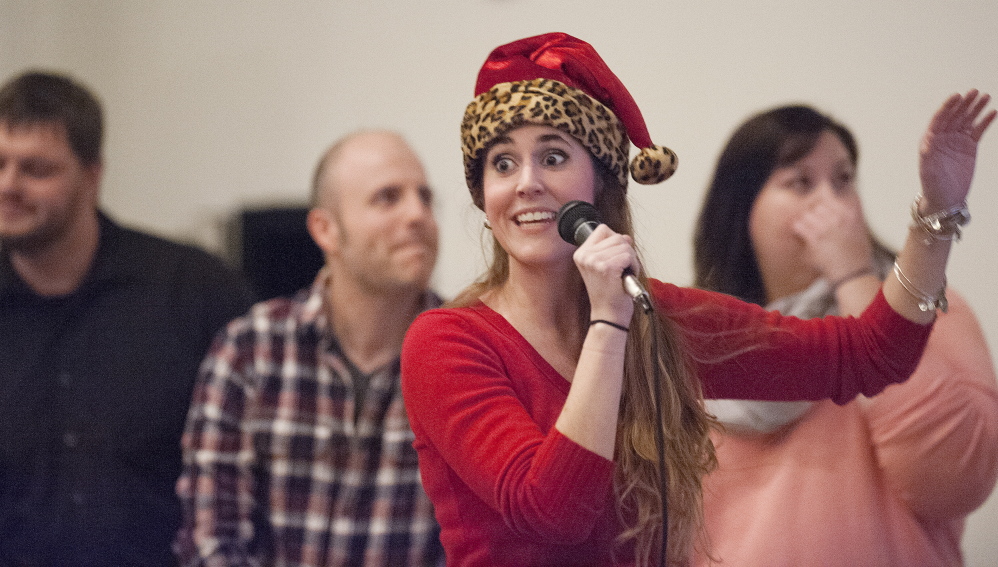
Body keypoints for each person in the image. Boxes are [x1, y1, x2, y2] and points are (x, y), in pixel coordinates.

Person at [398, 32, 995, 567]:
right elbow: (551, 508)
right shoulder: (447, 341)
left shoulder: (658, 315)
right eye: (502, 164)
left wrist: (937, 215)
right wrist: (609, 322)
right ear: (484, 195)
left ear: (601, 182)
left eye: (553, 156)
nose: (526, 181)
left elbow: (868, 354)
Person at [692, 104, 998, 566]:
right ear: (743, 211)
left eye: (843, 179)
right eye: (800, 182)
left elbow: (953, 480)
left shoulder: (929, 309)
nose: (831, 204)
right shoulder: (700, 342)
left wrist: (854, 278)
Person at [0, 70, 256, 566]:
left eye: (36, 169)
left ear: (92, 177)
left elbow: (255, 465)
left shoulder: (195, 289)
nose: (8, 185)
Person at [175, 130, 444, 566]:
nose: (418, 214)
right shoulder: (250, 350)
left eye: (425, 197)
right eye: (387, 198)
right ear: (326, 230)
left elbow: (479, 544)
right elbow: (212, 539)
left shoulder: (468, 354)